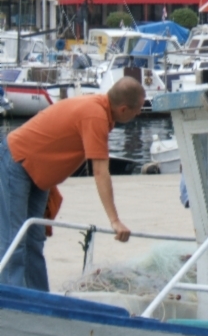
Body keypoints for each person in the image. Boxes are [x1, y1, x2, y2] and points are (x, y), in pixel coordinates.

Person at [0, 76, 146, 290]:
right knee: (15, 241)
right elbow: (100, 171)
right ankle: (13, 302)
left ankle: (40, 301)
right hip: (18, 162)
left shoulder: (103, 111)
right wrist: (114, 220)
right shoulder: (95, 115)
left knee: (33, 240)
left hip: (38, 175)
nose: (139, 114)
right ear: (124, 109)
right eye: (138, 109)